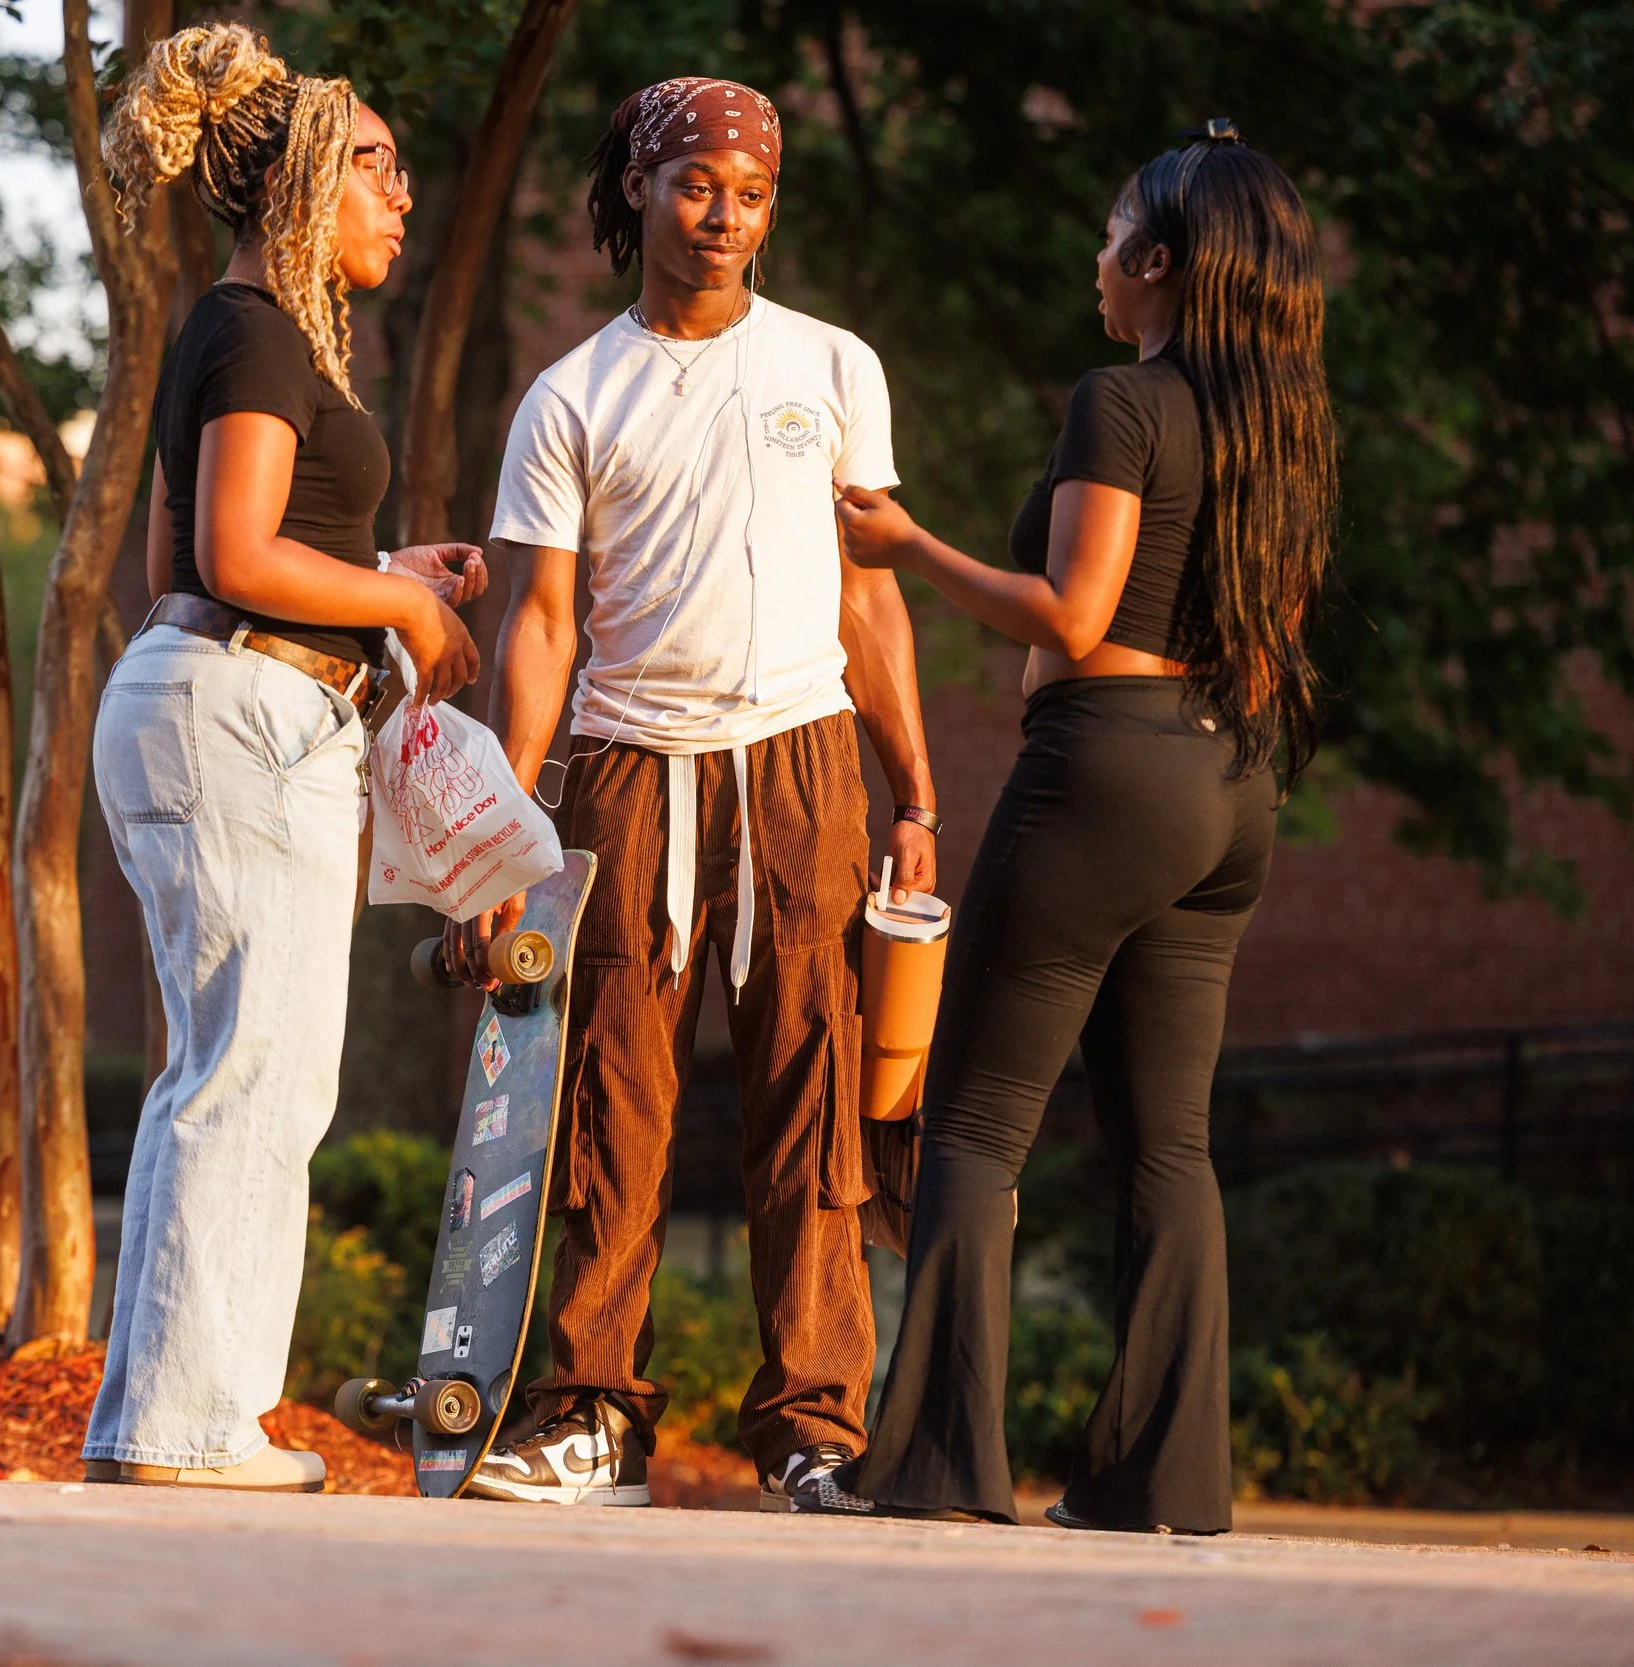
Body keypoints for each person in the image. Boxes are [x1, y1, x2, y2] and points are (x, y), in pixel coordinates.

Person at [830, 122, 1338, 1532]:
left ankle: (936, 1464)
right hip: (1232, 790)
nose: (1098, 260)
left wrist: (908, 548)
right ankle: (1158, 1482)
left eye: (1115, 236)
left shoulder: (1121, 400)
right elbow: (1269, 634)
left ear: (1162, 263)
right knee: (1169, 1145)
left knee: (975, 1124)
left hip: (1103, 772)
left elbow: (1071, 610)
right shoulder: (1282, 429)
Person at [446, 77, 940, 1510]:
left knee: (816, 1095)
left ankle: (813, 1427)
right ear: (640, 192)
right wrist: (508, 822)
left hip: (801, 767)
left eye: (751, 192)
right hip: (622, 775)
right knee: (614, 1100)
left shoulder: (834, 367)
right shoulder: (572, 392)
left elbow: (872, 598)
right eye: (695, 186)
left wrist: (911, 789)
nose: (724, 216)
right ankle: (594, 1412)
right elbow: (540, 623)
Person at [83, 22, 487, 1493]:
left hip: (218, 696)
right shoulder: (252, 328)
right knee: (250, 1071)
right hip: (237, 712)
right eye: (375, 167)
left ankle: (158, 1416)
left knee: (228, 1069)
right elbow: (230, 552)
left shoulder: (244, 334)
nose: (401, 195)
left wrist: (382, 566)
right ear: (302, 185)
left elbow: (176, 558)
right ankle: (195, 1423)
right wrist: (397, 601)